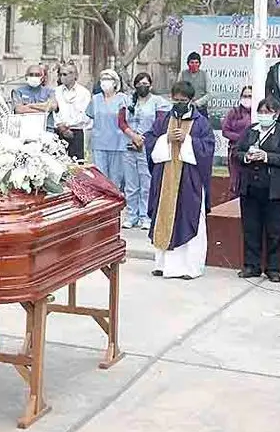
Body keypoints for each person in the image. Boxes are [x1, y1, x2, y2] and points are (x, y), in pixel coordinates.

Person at [144, 81, 216, 279]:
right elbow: (149, 139)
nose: (178, 103)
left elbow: (208, 148)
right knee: (163, 216)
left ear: (191, 100)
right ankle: (163, 264)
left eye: (183, 100)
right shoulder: (163, 119)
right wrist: (164, 139)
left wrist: (188, 140)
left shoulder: (200, 122)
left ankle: (190, 268)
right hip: (165, 177)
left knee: (189, 217)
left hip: (189, 180)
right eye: (175, 100)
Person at [235, 98, 280, 282]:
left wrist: (266, 157)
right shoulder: (251, 130)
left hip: (275, 190)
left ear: (276, 114)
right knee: (251, 228)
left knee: (274, 230)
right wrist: (246, 156)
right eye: (261, 112)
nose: (263, 116)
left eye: (267, 112)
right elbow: (237, 151)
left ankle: (273, 267)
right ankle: (251, 265)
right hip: (251, 188)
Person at [118, 72, 169, 230]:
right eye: (140, 84)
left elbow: (159, 124)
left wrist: (143, 139)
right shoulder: (127, 100)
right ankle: (131, 215)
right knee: (131, 184)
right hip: (129, 144)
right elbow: (121, 122)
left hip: (147, 146)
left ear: (151, 86)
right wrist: (133, 136)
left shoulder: (157, 101)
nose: (143, 87)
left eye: (146, 84)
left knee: (146, 182)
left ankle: (146, 216)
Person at [86, 69, 130, 189]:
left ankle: (115, 203)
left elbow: (127, 120)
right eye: (103, 79)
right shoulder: (96, 99)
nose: (105, 82)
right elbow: (89, 115)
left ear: (115, 82)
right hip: (99, 142)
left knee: (115, 179)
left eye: (108, 79)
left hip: (118, 143)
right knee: (100, 178)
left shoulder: (123, 99)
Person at [52, 63, 92, 161]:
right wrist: (62, 127)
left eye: (65, 74)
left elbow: (85, 115)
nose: (62, 77)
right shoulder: (56, 91)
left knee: (77, 164)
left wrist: (68, 125)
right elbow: (54, 112)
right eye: (60, 74)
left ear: (74, 75)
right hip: (59, 131)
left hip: (76, 132)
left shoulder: (84, 93)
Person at [221, 85, 254, 199]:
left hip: (253, 150)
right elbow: (225, 131)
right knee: (235, 180)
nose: (247, 98)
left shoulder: (259, 112)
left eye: (250, 96)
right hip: (236, 149)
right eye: (245, 96)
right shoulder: (233, 112)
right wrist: (241, 138)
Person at [12, 64, 55, 132]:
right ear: (26, 77)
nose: (34, 77)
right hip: (25, 129)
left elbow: (52, 106)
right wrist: (43, 109)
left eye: (37, 75)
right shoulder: (18, 91)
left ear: (42, 78)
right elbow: (19, 110)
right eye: (31, 75)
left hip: (46, 130)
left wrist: (29, 106)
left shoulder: (50, 91)